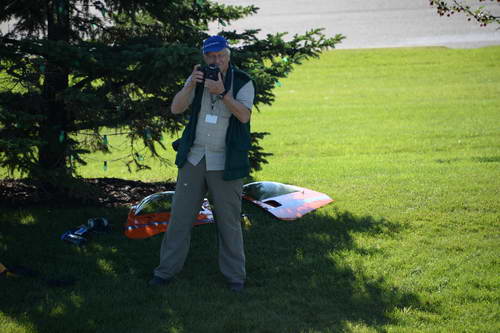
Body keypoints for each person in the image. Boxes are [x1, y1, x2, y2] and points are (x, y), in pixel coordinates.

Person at [149, 35, 255, 292]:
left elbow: (244, 116)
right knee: (180, 219)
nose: (216, 60)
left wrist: (223, 94)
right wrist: (188, 86)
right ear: (204, 57)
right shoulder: (197, 78)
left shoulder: (242, 81)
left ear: (228, 56)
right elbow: (176, 108)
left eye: (220, 55)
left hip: (225, 162)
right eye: (211, 56)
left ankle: (235, 277)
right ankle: (165, 272)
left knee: (228, 221)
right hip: (195, 158)